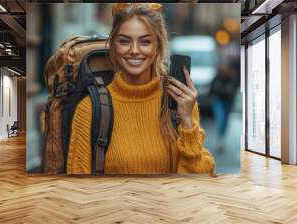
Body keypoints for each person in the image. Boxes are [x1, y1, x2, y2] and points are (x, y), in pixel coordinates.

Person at [67, 3, 215, 174]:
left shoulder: (180, 103)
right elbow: (78, 188)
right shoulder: (89, 109)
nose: (135, 51)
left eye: (145, 42)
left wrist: (188, 123)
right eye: (124, 41)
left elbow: (198, 183)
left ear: (157, 47)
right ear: (113, 47)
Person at [210, 65, 238, 152]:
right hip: (218, 102)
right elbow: (211, 90)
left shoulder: (231, 80)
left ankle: (221, 140)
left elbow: (232, 93)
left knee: (225, 123)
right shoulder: (216, 78)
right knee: (220, 119)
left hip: (227, 103)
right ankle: (219, 141)